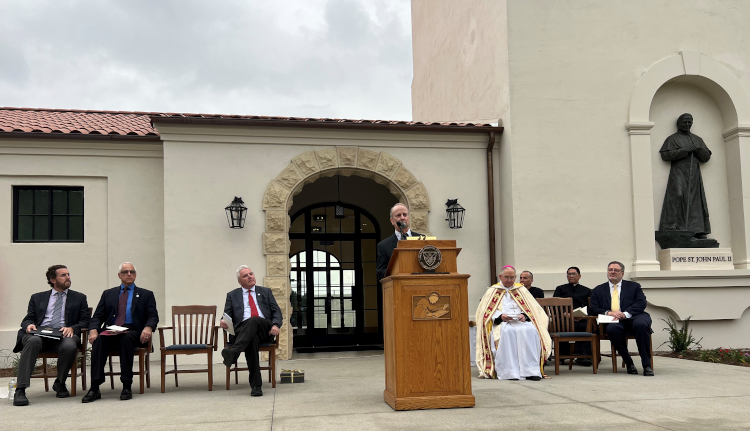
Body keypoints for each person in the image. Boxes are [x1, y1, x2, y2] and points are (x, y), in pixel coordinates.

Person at [12, 265, 90, 406]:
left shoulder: (79, 297)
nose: (68, 277)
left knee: (70, 345)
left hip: (63, 335)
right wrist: (28, 325)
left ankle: (60, 383)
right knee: (33, 341)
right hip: (40, 334)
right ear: (53, 279)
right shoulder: (37, 297)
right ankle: (21, 389)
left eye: (68, 274)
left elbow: (85, 321)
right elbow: (28, 318)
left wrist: (72, 327)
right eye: (63, 275)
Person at [82, 262, 159, 402]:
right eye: (125, 272)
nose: (129, 274)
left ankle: (126, 385)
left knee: (126, 339)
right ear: (119, 275)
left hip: (132, 331)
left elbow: (153, 316)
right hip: (111, 331)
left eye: (132, 272)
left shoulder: (146, 294)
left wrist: (148, 327)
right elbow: (98, 316)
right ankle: (94, 387)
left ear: (135, 275)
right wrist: (93, 330)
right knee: (99, 340)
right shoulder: (108, 294)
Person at [475, 266, 551, 380]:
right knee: (508, 332)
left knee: (531, 331)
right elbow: (486, 312)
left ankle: (531, 371)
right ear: (500, 277)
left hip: (520, 322)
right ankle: (510, 372)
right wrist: (501, 316)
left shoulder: (521, 290)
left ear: (515, 277)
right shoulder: (493, 291)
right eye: (506, 277)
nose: (509, 280)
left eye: (512, 277)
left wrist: (524, 315)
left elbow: (532, 309)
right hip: (502, 323)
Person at [220, 266, 283, 397]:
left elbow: (276, 311)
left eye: (251, 274)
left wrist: (276, 325)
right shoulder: (232, 295)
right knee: (251, 339)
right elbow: (227, 314)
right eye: (245, 276)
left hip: (264, 329)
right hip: (243, 331)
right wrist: (223, 321)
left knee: (254, 320)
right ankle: (256, 386)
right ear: (240, 282)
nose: (249, 276)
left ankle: (234, 353)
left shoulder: (266, 292)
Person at [590, 261, 654, 376]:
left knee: (641, 325)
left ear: (622, 274)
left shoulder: (634, 286)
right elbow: (593, 308)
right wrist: (608, 312)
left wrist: (625, 313)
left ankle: (647, 365)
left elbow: (641, 303)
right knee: (612, 330)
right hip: (613, 320)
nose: (612, 272)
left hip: (634, 317)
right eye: (610, 270)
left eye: (616, 270)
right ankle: (629, 363)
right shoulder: (598, 289)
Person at [659, 113, 712, 237]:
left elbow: (706, 157)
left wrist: (699, 150)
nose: (687, 125)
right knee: (677, 194)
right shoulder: (672, 139)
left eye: (690, 122)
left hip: (694, 172)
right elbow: (665, 155)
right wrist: (685, 151)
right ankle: (672, 225)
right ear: (678, 123)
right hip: (678, 170)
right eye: (685, 122)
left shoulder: (697, 139)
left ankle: (697, 230)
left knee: (695, 200)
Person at [553, 266, 593, 366]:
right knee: (561, 325)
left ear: (579, 276)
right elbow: (554, 305)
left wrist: (581, 315)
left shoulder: (587, 290)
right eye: (569, 274)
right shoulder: (560, 289)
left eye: (573, 274)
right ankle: (563, 355)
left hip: (581, 318)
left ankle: (584, 356)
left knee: (587, 326)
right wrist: (565, 314)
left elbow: (591, 307)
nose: (571, 276)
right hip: (564, 317)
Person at [376, 203, 422, 280]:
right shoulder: (383, 246)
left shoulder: (422, 239)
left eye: (405, 215)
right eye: (398, 215)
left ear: (409, 218)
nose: (402, 217)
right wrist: (396, 272)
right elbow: (380, 273)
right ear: (392, 221)